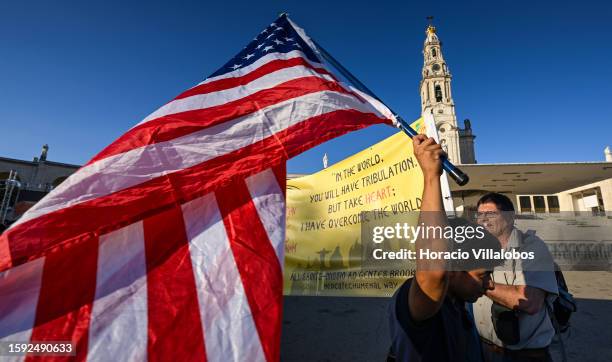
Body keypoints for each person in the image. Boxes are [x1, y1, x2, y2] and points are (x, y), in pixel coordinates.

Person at [388, 135, 503, 361]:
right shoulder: (426, 304)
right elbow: (434, 272)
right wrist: (432, 177)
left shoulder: (456, 302)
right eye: (483, 275)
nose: (490, 284)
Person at [472, 193, 558, 362]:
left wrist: (477, 281)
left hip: (524, 356)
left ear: (510, 217)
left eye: (490, 214)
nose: (483, 220)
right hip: (482, 348)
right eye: (479, 215)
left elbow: (530, 302)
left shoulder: (532, 247)